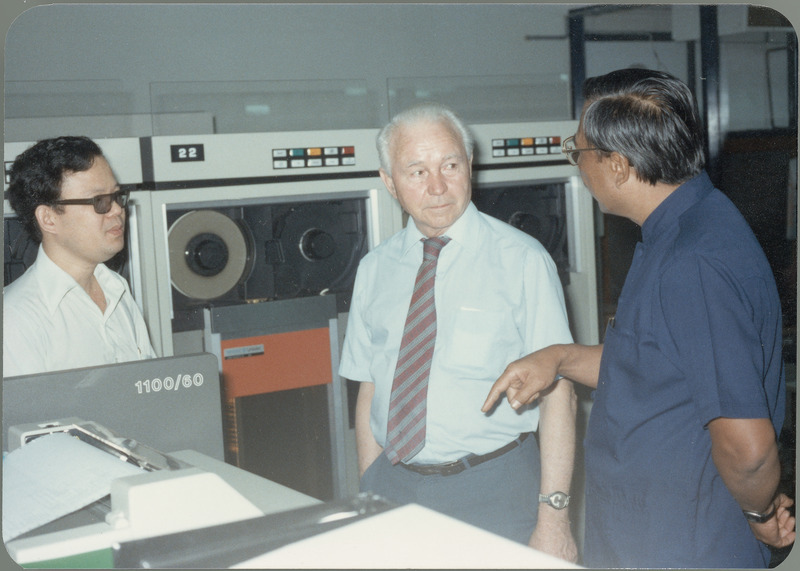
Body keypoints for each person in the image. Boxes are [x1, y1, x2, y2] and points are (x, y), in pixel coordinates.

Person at [483, 68, 795, 568]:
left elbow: (750, 448)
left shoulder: (694, 263)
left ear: (619, 166)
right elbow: (655, 365)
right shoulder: (679, 228)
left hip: (683, 541)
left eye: (579, 152)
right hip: (645, 529)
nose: (578, 165)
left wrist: (758, 513)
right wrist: (559, 357)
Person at [339, 103, 578, 561]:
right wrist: (369, 487)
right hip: (394, 487)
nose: (437, 186)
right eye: (416, 171)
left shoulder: (523, 261)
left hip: (495, 490)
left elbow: (559, 394)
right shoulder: (374, 269)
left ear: (470, 167)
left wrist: (554, 519)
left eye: (450, 165)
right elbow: (370, 384)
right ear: (389, 182)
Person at [4, 136, 156, 377]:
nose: (117, 210)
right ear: (49, 218)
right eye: (99, 201)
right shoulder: (16, 318)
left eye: (117, 196)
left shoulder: (117, 289)